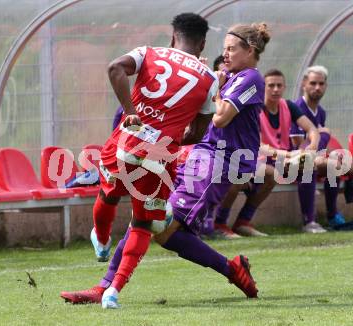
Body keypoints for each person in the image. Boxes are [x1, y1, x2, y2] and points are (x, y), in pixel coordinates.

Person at [61, 22, 271, 308]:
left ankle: (106, 287)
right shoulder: (228, 76)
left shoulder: (251, 78)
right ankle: (232, 270)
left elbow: (220, 117)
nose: (226, 56)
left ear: (251, 50)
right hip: (200, 155)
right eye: (223, 50)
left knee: (157, 225)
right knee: (155, 222)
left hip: (221, 161)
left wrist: (211, 84)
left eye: (232, 50)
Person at [212, 68, 320, 238]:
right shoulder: (254, 106)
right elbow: (260, 146)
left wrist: (310, 149)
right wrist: (287, 155)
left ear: (284, 87)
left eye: (279, 85)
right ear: (263, 87)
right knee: (247, 174)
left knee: (309, 166)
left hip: (279, 160)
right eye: (271, 85)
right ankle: (219, 223)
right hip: (255, 158)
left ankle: (310, 221)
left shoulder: (288, 106)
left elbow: (312, 129)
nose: (275, 89)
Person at [290, 65, 353, 231]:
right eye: (313, 83)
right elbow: (297, 145)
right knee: (334, 163)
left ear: (326, 86)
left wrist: (327, 146)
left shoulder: (321, 112)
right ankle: (331, 215)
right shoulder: (297, 108)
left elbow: (319, 145)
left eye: (321, 83)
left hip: (319, 158)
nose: (317, 87)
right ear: (304, 83)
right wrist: (323, 134)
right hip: (298, 161)